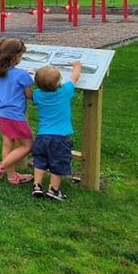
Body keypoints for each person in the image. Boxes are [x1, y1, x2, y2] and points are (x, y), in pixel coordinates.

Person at [0, 38, 34, 184]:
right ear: (14, 57)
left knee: (8, 143)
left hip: (0, 113)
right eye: (20, 56)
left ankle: (12, 176)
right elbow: (29, 95)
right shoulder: (22, 75)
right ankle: (1, 167)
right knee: (27, 145)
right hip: (14, 115)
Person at [31, 61, 82, 201]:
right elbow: (74, 78)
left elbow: (30, 94)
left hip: (42, 136)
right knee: (57, 163)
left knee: (40, 161)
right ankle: (54, 190)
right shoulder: (66, 91)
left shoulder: (37, 95)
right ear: (59, 81)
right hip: (60, 137)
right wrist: (77, 66)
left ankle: (37, 186)